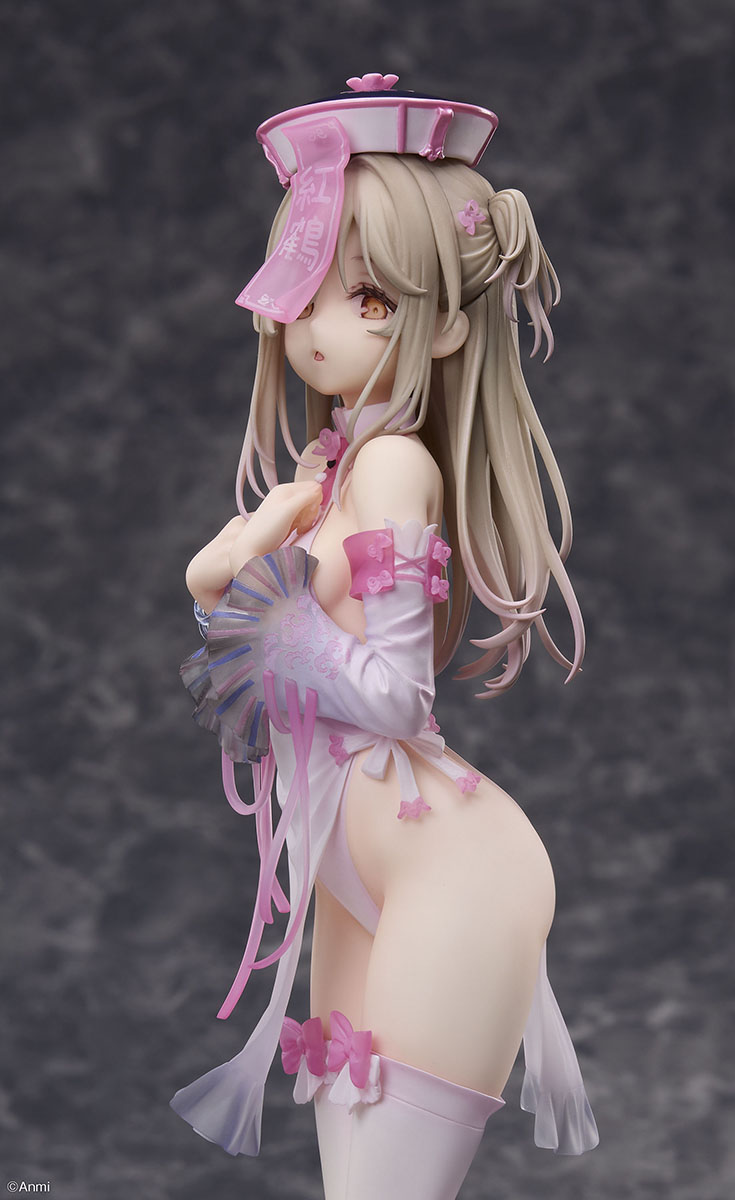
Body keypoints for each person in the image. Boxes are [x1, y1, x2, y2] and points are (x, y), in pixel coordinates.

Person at [172, 74, 598, 1199]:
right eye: (305, 281)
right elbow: (257, 666)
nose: (310, 320)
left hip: (448, 867)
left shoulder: (396, 463)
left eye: (359, 292)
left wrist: (257, 601)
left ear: (443, 322)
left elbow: (400, 698)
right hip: (354, 865)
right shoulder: (328, 469)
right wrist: (228, 578)